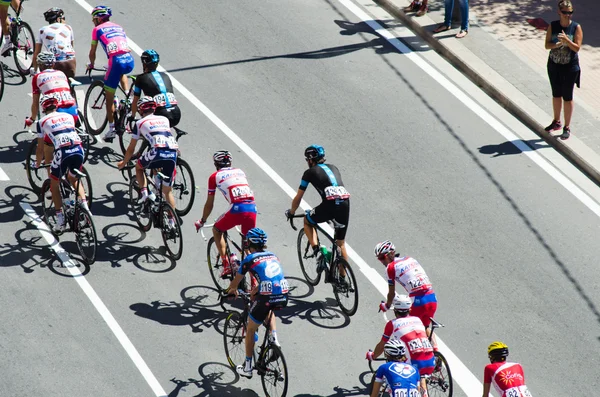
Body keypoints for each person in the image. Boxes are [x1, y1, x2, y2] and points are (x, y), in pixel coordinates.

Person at [226, 227, 289, 379]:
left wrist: (230, 290)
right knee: (270, 308)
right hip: (283, 292)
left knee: (251, 329)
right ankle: (274, 338)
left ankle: (247, 367)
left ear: (249, 243)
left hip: (266, 296)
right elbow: (271, 279)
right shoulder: (273, 255)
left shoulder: (249, 259)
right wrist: (256, 290)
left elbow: (236, 282)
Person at [194, 151, 257, 277]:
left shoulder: (214, 176)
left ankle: (227, 264)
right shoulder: (240, 171)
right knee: (247, 247)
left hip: (237, 209)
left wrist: (202, 220)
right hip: (252, 208)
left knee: (217, 229)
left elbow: (209, 203)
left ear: (216, 164)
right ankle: (254, 280)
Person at [117, 96, 178, 227]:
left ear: (140, 110)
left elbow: (131, 148)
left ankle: (145, 194)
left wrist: (123, 163)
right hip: (172, 151)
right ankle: (172, 223)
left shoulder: (139, 123)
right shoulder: (164, 119)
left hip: (158, 151)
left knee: (139, 167)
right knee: (167, 191)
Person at [286, 145, 350, 265]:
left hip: (329, 205)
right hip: (344, 204)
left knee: (307, 220)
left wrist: (292, 212)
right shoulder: (334, 168)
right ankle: (343, 280)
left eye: (307, 159)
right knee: (340, 243)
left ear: (310, 159)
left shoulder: (309, 173)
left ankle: (317, 251)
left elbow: (298, 197)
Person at [37, 95, 88, 232]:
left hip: (63, 152)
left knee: (54, 184)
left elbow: (41, 147)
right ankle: (85, 207)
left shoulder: (41, 121)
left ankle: (60, 221)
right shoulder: (68, 116)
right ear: (56, 106)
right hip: (78, 148)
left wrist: (37, 163)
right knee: (74, 178)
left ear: (43, 108)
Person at [366, 295, 435, 397]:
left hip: (415, 363)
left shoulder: (392, 324)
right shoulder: (418, 319)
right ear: (410, 309)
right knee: (421, 380)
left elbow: (382, 345)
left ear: (395, 311)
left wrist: (373, 356)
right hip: (430, 360)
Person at [87, 5, 135, 142]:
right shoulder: (119, 27)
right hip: (129, 60)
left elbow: (92, 51)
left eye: (93, 19)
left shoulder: (97, 30)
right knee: (121, 72)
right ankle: (127, 94)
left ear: (98, 19)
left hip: (115, 62)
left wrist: (91, 64)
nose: (92, 21)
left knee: (109, 99)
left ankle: (111, 129)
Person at [26, 52, 78, 169]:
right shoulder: (61, 73)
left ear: (39, 65)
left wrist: (32, 119)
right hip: (72, 110)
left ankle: (51, 179)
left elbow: (35, 103)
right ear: (53, 64)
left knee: (47, 147)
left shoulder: (37, 77)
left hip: (57, 110)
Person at [374, 240, 438, 334]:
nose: (382, 261)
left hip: (418, 302)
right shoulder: (410, 259)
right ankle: (435, 348)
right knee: (425, 327)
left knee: (405, 330)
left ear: (391, 253)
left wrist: (386, 305)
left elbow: (391, 293)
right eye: (379, 259)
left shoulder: (390, 268)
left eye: (383, 257)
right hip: (432, 298)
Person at [544, 0, 582, 141]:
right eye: (565, 12)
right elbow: (547, 45)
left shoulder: (576, 27)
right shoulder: (553, 26)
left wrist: (567, 41)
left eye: (570, 12)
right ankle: (556, 121)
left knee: (567, 96)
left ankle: (567, 127)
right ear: (559, 12)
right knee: (556, 94)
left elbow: (577, 48)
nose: (568, 15)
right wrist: (556, 44)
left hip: (570, 67)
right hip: (554, 64)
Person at [131, 49, 181, 128]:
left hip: (161, 114)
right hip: (176, 114)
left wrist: (132, 117)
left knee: (141, 129)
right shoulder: (165, 75)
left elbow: (135, 101)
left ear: (144, 63)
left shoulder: (140, 78)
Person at [31, 8, 76, 78]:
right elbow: (71, 47)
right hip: (70, 61)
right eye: (63, 18)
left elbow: (36, 53)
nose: (65, 20)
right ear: (58, 19)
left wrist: (35, 70)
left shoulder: (42, 30)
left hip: (56, 63)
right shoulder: (68, 27)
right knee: (69, 85)